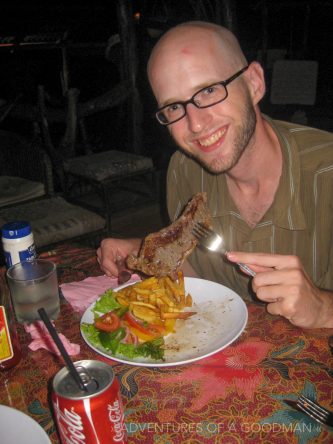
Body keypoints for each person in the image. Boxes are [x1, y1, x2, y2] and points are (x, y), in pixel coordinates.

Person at [97, 21, 333, 329]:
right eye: (173, 108)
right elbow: (195, 268)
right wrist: (146, 249)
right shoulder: (184, 170)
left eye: (208, 91)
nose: (195, 124)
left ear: (254, 83)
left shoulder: (326, 172)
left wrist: (323, 308)